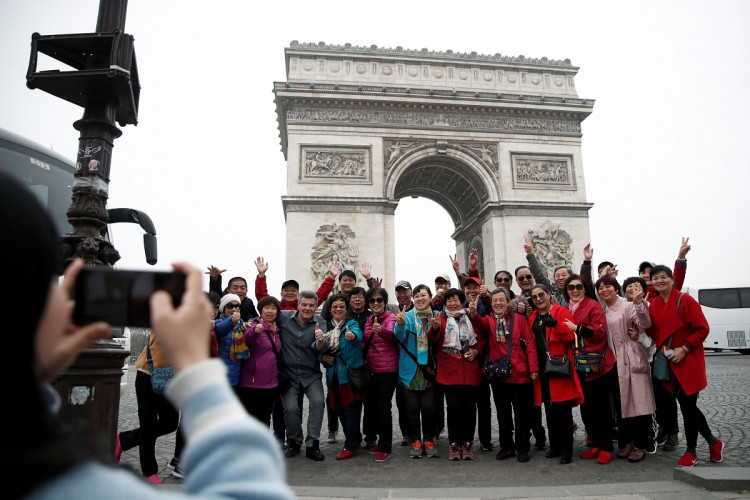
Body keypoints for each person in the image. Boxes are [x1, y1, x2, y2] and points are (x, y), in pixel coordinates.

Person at [1, 173, 293, 499]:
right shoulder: (75, 486)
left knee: (165, 422)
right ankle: (149, 466)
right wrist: (203, 378)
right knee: (159, 422)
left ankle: (130, 447)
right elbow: (261, 492)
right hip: (152, 372)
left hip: (166, 375)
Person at [647, 265, 724, 467]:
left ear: (672, 280)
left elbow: (702, 328)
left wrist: (685, 348)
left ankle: (691, 451)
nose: (659, 281)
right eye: (655, 278)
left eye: (663, 277)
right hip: (669, 361)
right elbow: (654, 333)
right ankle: (714, 443)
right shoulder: (654, 304)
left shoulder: (685, 300)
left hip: (687, 360)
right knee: (688, 406)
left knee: (688, 407)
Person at [470, 287, 539, 462]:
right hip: (498, 375)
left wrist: (533, 368)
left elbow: (530, 342)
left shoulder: (519, 319)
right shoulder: (489, 320)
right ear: (491, 304)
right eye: (494, 301)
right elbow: (479, 323)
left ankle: (523, 447)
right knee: (503, 414)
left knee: (521, 413)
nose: (498, 303)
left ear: (508, 301)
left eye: (501, 300)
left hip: (519, 373)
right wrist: (473, 313)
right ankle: (506, 446)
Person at [595, 275, 654, 463]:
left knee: (639, 402)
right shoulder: (602, 309)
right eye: (601, 287)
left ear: (616, 288)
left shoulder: (628, 305)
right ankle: (626, 440)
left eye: (609, 286)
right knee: (621, 404)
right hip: (613, 361)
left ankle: (642, 443)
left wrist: (638, 304)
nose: (605, 290)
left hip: (631, 356)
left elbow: (645, 323)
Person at [562, 275, 616, 464]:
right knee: (586, 408)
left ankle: (606, 446)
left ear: (585, 289)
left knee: (601, 409)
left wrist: (577, 328)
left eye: (578, 286)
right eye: (570, 287)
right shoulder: (566, 308)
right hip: (577, 365)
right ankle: (594, 443)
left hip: (597, 364)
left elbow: (599, 332)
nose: (575, 290)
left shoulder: (593, 305)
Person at [528, 284, 584, 464]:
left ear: (549, 295)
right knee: (549, 409)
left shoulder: (561, 312)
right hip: (543, 368)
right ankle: (554, 446)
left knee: (563, 411)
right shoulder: (533, 316)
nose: (538, 299)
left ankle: (567, 450)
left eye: (541, 295)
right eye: (534, 297)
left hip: (559, 366)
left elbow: (570, 336)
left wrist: (557, 325)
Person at [427, 288, 485, 460]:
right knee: (453, 410)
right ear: (445, 303)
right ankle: (454, 443)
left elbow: (482, 339)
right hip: (449, 373)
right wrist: (435, 329)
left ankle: (467, 443)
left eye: (456, 300)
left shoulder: (471, 317)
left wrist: (476, 351)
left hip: (470, 372)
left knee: (469, 410)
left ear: (462, 302)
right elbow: (432, 339)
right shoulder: (441, 318)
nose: (452, 304)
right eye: (449, 300)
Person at [278, 290, 329, 461]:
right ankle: (294, 441)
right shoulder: (284, 317)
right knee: (290, 408)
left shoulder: (320, 321)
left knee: (318, 403)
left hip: (311, 373)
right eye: (304, 304)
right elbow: (265, 314)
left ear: (316, 306)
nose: (307, 308)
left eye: (311, 305)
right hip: (289, 374)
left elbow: (321, 345)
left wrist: (320, 339)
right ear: (298, 305)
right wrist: (250, 324)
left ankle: (312, 443)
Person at [394, 284, 438, 459]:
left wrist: (436, 328)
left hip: (429, 370)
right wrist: (400, 324)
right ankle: (416, 441)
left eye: (423, 295)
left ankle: (429, 440)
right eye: (417, 295)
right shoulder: (408, 316)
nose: (420, 298)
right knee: (411, 410)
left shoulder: (436, 316)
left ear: (430, 297)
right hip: (410, 370)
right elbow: (399, 337)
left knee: (428, 408)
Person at [320, 294, 366, 460]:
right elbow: (320, 350)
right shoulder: (326, 327)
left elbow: (357, 335)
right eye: (335, 306)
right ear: (330, 309)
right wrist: (322, 358)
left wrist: (352, 336)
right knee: (339, 410)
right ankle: (355, 438)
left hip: (348, 376)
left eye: (341, 306)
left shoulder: (351, 324)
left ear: (346, 309)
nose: (338, 309)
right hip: (334, 377)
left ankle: (350, 444)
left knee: (350, 410)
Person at [361, 288, 399, 462]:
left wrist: (381, 331)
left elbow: (393, 337)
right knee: (374, 408)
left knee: (384, 408)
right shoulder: (368, 320)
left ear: (385, 302)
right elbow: (364, 344)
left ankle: (385, 447)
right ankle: (379, 441)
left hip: (387, 370)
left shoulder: (391, 317)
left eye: (379, 300)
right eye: (372, 301)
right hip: (372, 370)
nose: (376, 303)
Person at [238, 296, 284, 428]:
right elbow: (247, 339)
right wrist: (254, 331)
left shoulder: (277, 331)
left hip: (271, 384)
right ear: (260, 310)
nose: (270, 311)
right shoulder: (254, 326)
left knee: (265, 419)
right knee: (252, 421)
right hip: (252, 383)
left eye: (273, 308)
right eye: (267, 308)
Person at [254, 256, 336, 310]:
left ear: (298, 293)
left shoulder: (304, 307)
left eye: (293, 290)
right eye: (286, 290)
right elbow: (262, 296)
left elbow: (320, 295)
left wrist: (331, 277)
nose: (290, 293)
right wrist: (261, 276)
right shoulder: (276, 307)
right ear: (281, 294)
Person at [523, 235, 571, 306]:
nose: (561, 278)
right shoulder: (550, 291)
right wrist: (530, 254)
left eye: (564, 275)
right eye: (557, 276)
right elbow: (539, 276)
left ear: (571, 277)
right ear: (554, 279)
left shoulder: (577, 292)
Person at [213, 293, 250, 387]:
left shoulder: (240, 325)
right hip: (221, 376)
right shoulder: (217, 322)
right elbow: (220, 331)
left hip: (236, 375)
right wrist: (231, 321)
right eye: (230, 306)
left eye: (237, 306)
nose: (234, 309)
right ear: (223, 309)